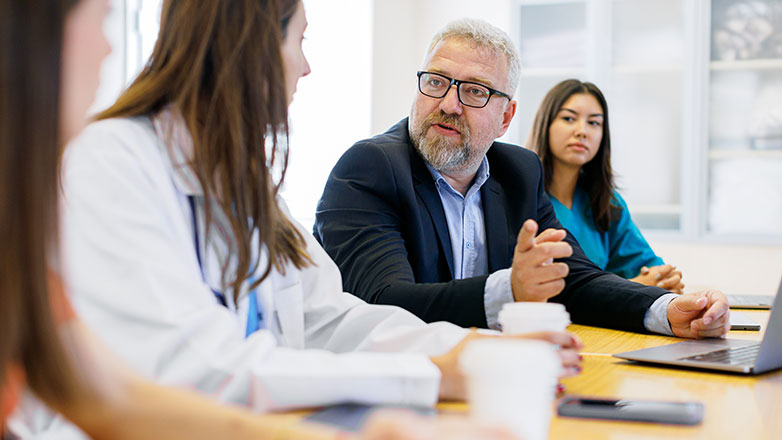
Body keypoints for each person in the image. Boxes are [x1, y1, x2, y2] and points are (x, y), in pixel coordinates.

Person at [13, 1, 580, 437]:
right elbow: (198, 372)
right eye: (299, 39)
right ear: (252, 45)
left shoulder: (245, 183)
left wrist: (466, 352)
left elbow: (331, 320)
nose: (306, 67)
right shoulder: (113, 163)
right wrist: (433, 374)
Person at [314, 19, 729, 337]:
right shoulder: (369, 167)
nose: (449, 104)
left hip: (486, 376)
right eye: (437, 82)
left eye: (475, 91)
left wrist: (669, 310)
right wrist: (510, 289)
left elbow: (575, 279)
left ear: (506, 117)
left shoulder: (519, 172)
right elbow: (385, 303)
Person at [527, 79, 684, 293]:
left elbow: (648, 266)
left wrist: (665, 278)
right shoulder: (521, 195)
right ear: (545, 124)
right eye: (568, 118)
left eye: (594, 123)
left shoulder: (607, 204)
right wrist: (635, 288)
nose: (582, 131)